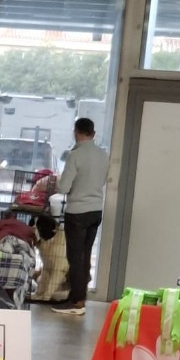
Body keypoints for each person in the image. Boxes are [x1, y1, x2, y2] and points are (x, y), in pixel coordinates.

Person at [52, 116, 109, 317]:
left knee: (75, 258)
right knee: (85, 255)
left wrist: (59, 182)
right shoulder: (103, 154)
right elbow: (102, 180)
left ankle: (76, 302)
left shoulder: (74, 155)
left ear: (76, 132)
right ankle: (80, 297)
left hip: (77, 212)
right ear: (93, 133)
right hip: (95, 211)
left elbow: (63, 188)